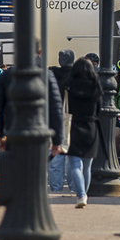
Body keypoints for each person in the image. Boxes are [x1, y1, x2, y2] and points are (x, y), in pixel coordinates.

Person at [66, 58, 102, 208]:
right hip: (91, 127)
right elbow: (99, 109)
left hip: (73, 127)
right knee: (87, 167)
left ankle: (81, 195)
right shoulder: (96, 87)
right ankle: (84, 195)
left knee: (75, 165)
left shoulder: (68, 86)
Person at [48, 49, 75, 192]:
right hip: (73, 119)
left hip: (53, 118)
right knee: (73, 157)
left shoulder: (51, 74)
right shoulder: (76, 75)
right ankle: (73, 187)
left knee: (55, 154)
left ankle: (55, 188)